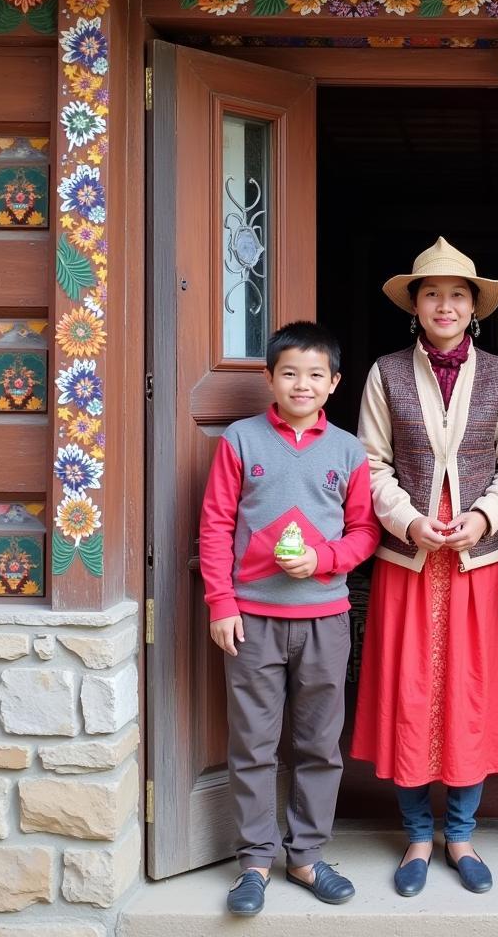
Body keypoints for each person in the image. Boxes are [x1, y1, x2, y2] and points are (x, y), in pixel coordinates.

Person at [351, 237, 498, 898]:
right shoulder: (385, 373)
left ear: (474, 306)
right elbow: (370, 464)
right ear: (415, 306)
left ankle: (461, 832)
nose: (445, 304)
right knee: (410, 691)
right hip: (409, 558)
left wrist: (483, 519)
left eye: (458, 294)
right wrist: (409, 520)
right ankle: (417, 838)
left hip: (476, 561)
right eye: (433, 293)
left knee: (467, 695)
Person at [199, 321, 381, 917]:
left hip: (324, 620)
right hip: (251, 621)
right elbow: (216, 526)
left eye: (315, 375)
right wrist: (221, 603)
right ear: (270, 379)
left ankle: (305, 856)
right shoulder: (240, 441)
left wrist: (324, 560)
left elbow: (364, 532)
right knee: (252, 743)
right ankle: (254, 860)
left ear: (333, 383)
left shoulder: (349, 450)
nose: (302, 384)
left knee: (319, 744)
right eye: (289, 373)